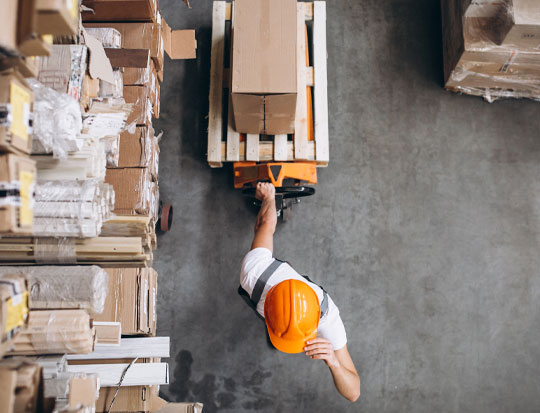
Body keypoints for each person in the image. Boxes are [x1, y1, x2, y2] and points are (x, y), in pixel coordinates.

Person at [239, 182, 360, 402]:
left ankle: (278, 331)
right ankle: (277, 330)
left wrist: (333, 361)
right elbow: (265, 223)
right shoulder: (254, 273)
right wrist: (269, 198)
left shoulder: (328, 319)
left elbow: (354, 392)